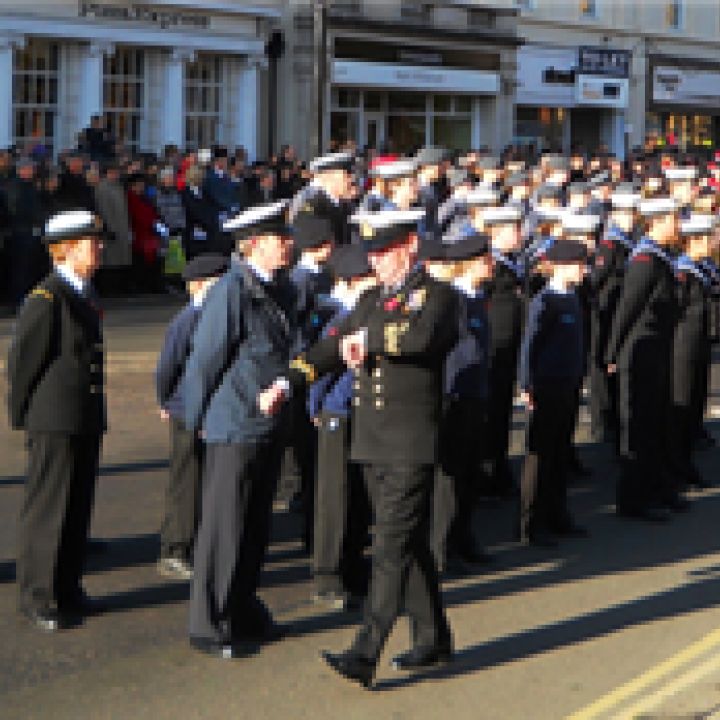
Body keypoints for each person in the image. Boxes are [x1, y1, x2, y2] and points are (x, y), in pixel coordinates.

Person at [285, 209, 458, 689]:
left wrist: (372, 338)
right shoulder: (369, 299)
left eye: (382, 254)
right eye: (372, 256)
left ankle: (365, 651)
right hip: (371, 443)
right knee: (411, 545)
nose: (375, 264)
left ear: (407, 248)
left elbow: (422, 337)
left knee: (388, 549)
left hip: (409, 443)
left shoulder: (438, 296)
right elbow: (332, 345)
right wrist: (291, 378)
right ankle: (433, 637)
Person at [182, 200, 295, 659]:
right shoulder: (232, 290)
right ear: (254, 246)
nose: (288, 244)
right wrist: (197, 423)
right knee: (224, 529)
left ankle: (243, 609)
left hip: (264, 423)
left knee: (253, 527)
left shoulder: (274, 288)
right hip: (233, 424)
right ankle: (209, 624)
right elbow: (205, 360)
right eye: (279, 238)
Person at [7, 208, 106, 631]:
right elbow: (23, 364)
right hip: (54, 417)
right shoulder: (45, 299)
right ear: (66, 250)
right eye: (91, 243)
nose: (99, 249)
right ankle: (38, 593)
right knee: (49, 508)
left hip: (83, 414)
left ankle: (67, 586)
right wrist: (25, 415)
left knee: (77, 506)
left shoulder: (82, 292)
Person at [605, 197, 683, 521]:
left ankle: (657, 489)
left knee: (655, 425)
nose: (678, 226)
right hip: (639, 355)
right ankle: (634, 500)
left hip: (656, 351)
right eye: (674, 220)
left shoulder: (660, 258)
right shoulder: (644, 262)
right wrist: (611, 354)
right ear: (657, 222)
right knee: (639, 429)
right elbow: (627, 310)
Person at [309, 244, 376, 609]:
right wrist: (316, 407)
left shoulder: (369, 316)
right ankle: (327, 574)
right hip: (338, 414)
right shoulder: (340, 320)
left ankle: (353, 564)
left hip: (364, 414)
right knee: (335, 496)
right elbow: (322, 368)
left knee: (359, 494)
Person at [156, 253, 229, 581]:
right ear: (198, 285)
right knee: (186, 481)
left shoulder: (214, 315)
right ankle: (175, 548)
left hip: (210, 408)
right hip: (186, 410)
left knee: (205, 479)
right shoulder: (187, 320)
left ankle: (196, 542)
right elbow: (168, 367)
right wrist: (167, 401)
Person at [518, 240, 589, 547]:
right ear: (561, 266)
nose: (584, 270)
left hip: (568, 382)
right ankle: (530, 524)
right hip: (547, 384)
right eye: (579, 264)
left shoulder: (572, 296)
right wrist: (526, 384)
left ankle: (557, 514)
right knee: (540, 455)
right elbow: (530, 346)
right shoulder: (545, 302)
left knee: (560, 451)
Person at [433, 222, 495, 571]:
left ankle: (464, 537)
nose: (491, 264)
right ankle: (441, 547)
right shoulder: (450, 299)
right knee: (449, 477)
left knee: (471, 472)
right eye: (485, 259)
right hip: (452, 396)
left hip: (474, 393)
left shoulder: (476, 298)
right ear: (468, 263)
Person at [94, 162, 133, 296]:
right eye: (114, 171)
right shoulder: (103, 189)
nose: (117, 174)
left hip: (122, 228)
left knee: (121, 260)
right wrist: (108, 228)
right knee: (111, 261)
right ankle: (111, 291)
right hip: (112, 229)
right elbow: (104, 210)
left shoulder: (119, 187)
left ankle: (120, 289)